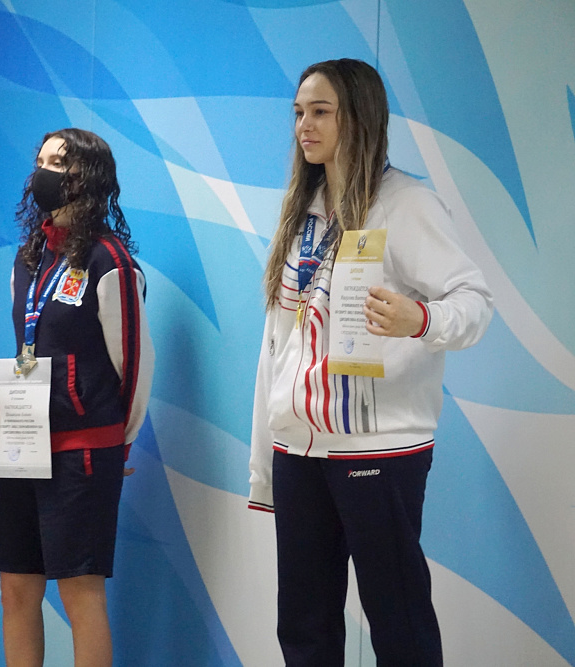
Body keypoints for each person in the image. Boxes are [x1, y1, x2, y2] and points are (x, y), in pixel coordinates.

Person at [248, 59, 493, 666]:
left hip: (378, 450)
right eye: (298, 113)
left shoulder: (406, 203)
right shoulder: (302, 213)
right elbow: (277, 344)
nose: (304, 126)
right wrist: (266, 458)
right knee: (303, 626)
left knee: (398, 622)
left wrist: (422, 319)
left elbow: (474, 301)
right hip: (299, 452)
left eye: (320, 112)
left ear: (358, 117)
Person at [0, 128, 155, 667]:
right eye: (41, 161)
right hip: (21, 448)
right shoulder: (28, 259)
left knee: (80, 594)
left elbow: (135, 367)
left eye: (59, 163)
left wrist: (118, 446)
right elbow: (28, 352)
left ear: (88, 177)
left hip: (82, 453)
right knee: (15, 590)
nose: (44, 173)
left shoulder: (110, 261)